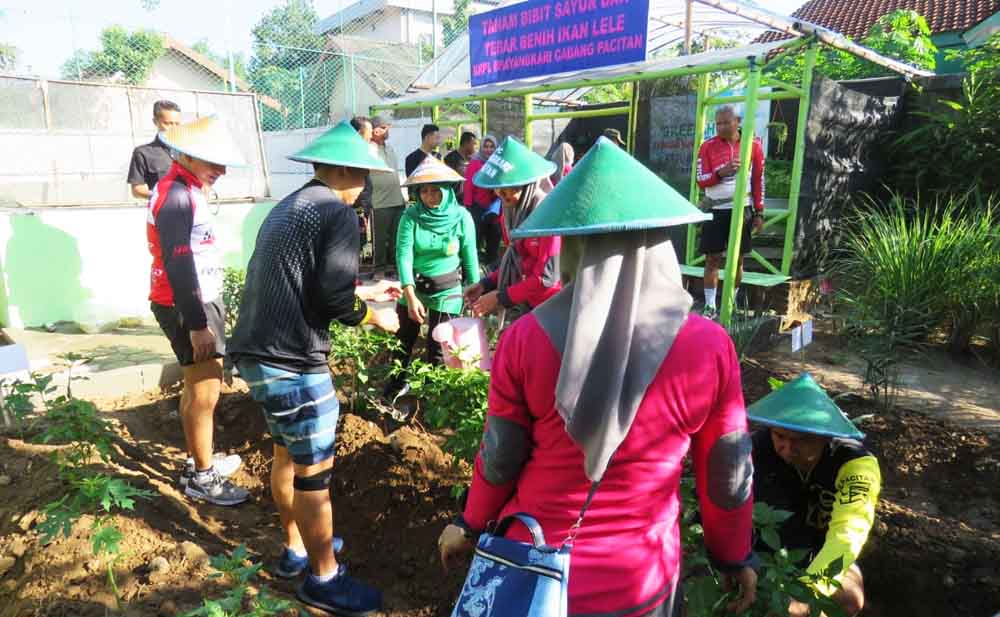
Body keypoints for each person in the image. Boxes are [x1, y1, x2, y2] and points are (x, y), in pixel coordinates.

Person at [438, 137, 756, 617]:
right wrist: (732, 555)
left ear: (574, 247)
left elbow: (500, 454)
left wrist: (470, 522)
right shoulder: (708, 347)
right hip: (641, 583)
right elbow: (727, 471)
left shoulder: (525, 340)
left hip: (533, 576)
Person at [229, 121, 400, 616]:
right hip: (295, 362)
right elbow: (330, 298)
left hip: (259, 357)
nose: (365, 187)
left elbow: (302, 279)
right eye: (364, 175)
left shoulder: (290, 207)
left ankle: (296, 549)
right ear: (346, 169)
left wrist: (363, 290)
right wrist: (373, 316)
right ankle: (324, 581)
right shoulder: (338, 214)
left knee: (286, 453)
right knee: (314, 474)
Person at [147, 115, 247, 505]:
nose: (220, 170)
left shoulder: (184, 186)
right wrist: (197, 322)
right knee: (206, 392)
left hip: (194, 298)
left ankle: (198, 460)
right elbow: (178, 259)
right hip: (188, 303)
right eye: (213, 162)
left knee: (195, 387)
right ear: (187, 155)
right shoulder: (176, 195)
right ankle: (203, 479)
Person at [749, 373, 881, 617]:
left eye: (801, 440)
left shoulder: (856, 465)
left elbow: (848, 534)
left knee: (849, 597)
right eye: (779, 437)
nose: (787, 449)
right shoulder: (758, 448)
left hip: (821, 556)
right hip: (765, 554)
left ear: (824, 434)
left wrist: (806, 595)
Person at [389, 157, 479, 391]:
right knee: (402, 342)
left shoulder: (462, 217)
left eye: (435, 191)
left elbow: (470, 256)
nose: (429, 197)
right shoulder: (410, 217)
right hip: (414, 288)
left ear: (447, 191)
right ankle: (394, 386)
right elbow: (404, 255)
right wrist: (409, 296)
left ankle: (434, 395)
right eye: (424, 191)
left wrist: (475, 289)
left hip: (448, 290)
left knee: (439, 347)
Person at [463, 136, 561, 319]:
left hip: (553, 305)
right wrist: (486, 284)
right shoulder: (512, 213)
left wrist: (501, 297)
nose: (502, 195)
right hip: (530, 300)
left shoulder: (549, 220)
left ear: (528, 187)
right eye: (498, 189)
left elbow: (547, 278)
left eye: (510, 189)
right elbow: (517, 260)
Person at [695, 105, 765, 317]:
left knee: (738, 259)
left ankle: (730, 303)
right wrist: (721, 173)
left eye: (726, 122)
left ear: (738, 122)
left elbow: (758, 180)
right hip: (715, 208)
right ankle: (710, 306)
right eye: (717, 123)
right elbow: (700, 180)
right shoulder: (707, 146)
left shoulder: (753, 145)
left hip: (741, 209)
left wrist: (759, 212)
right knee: (712, 258)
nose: (721, 127)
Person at [369, 115, 407, 278]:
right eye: (384, 127)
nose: (388, 130)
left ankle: (394, 267)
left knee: (396, 238)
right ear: (375, 130)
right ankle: (379, 269)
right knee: (380, 238)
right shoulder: (367, 149)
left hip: (397, 199)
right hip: (379, 202)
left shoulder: (390, 149)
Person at [128, 100, 182, 200]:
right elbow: (137, 190)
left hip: (192, 211)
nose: (173, 128)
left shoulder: (189, 151)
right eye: (168, 123)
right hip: (161, 212)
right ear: (155, 122)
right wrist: (162, 197)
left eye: (177, 124)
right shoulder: (142, 153)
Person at [463, 134, 500, 265]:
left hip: (494, 206)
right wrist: (468, 206)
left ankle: (492, 266)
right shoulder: (475, 162)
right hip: (477, 206)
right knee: (476, 238)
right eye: (486, 146)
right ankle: (472, 268)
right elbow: (468, 185)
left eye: (492, 147)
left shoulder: (498, 163)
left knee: (494, 236)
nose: (488, 150)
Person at [350, 116, 375, 265]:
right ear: (360, 132)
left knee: (363, 241)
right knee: (355, 241)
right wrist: (361, 209)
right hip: (356, 207)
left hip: (363, 206)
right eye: (369, 131)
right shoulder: (352, 154)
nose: (371, 135)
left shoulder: (362, 151)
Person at [444, 131, 478, 202]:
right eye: (474, 144)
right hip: (454, 200)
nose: (476, 147)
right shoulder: (451, 159)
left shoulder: (472, 159)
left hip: (469, 199)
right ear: (466, 144)